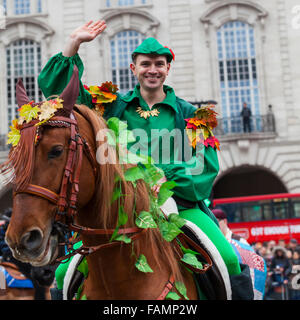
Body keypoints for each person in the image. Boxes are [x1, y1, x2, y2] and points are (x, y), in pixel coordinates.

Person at [38, 20, 247, 298]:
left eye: (159, 64)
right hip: (119, 211)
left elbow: (203, 166)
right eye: (146, 64)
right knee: (64, 274)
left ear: (167, 69)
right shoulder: (109, 107)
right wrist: (72, 45)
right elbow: (62, 97)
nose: (153, 70)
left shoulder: (191, 115)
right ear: (133, 68)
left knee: (229, 259)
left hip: (179, 206)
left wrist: (166, 177)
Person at [212, 208, 267, 299]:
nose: (214, 225)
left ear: (225, 221)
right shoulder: (214, 242)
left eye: (216, 221)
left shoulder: (239, 241)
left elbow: (253, 263)